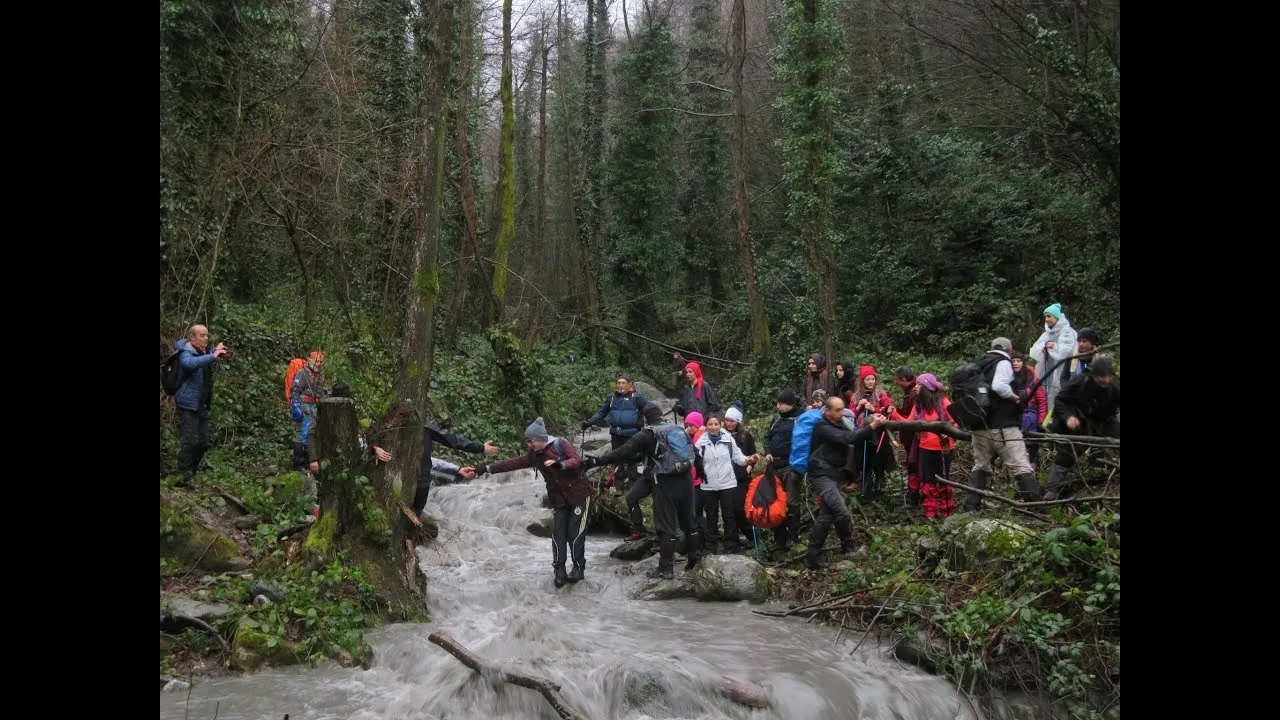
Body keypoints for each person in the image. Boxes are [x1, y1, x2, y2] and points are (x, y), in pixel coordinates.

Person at [582, 410, 705, 581]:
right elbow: (695, 453)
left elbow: (622, 451)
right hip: (685, 480)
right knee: (689, 523)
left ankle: (666, 569)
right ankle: (694, 560)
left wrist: (596, 461)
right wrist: (702, 474)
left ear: (645, 420)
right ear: (661, 417)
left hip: (664, 481)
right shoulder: (677, 430)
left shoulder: (646, 435)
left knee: (666, 527)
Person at [469, 418, 591, 587]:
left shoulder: (561, 445)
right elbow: (513, 463)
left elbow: (575, 460)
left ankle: (578, 569)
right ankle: (559, 570)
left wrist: (560, 465)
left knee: (575, 534)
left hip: (579, 495)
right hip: (559, 500)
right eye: (527, 441)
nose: (529, 444)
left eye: (530, 441)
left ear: (541, 438)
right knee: (558, 535)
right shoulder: (535, 455)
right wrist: (486, 469)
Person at [961, 338, 1042, 511]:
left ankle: (971, 507)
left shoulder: (979, 364)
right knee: (1020, 465)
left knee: (981, 465)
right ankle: (1037, 509)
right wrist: (1017, 398)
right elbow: (999, 386)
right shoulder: (1003, 362)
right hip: (1003, 426)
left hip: (979, 426)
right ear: (1009, 350)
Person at [805, 397, 886, 569]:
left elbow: (854, 432)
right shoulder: (822, 427)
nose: (842, 413)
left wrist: (873, 420)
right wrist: (871, 427)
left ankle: (818, 555)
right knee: (841, 512)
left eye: (842, 409)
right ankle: (840, 550)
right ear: (827, 411)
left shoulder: (839, 422)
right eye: (838, 410)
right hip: (821, 475)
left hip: (833, 474)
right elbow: (847, 438)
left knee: (827, 515)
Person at [1042, 357, 1120, 501]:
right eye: (1100, 377)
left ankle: (1100, 474)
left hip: (1105, 421)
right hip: (1080, 421)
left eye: (1108, 377)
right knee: (1067, 454)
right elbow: (1060, 399)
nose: (1105, 381)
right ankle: (1051, 491)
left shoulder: (1115, 386)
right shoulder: (1080, 381)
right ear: (1093, 376)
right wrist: (1068, 417)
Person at [888, 374, 956, 519]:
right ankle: (930, 512)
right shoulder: (918, 406)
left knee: (944, 481)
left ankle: (946, 512)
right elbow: (908, 423)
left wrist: (948, 434)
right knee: (927, 481)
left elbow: (955, 422)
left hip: (944, 449)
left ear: (926, 387)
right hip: (925, 448)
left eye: (919, 385)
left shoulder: (943, 402)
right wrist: (893, 414)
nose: (916, 387)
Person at [170, 324, 229, 486]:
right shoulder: (185, 351)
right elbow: (190, 364)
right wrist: (212, 356)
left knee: (203, 441)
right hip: (188, 403)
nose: (206, 338)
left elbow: (204, 358)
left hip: (200, 404)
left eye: (207, 335)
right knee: (190, 440)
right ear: (192, 338)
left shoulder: (203, 351)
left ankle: (192, 472)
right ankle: (183, 477)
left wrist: (216, 352)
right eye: (202, 335)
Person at [695, 413, 759, 554]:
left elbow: (739, 458)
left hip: (727, 484)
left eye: (716, 424)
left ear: (720, 425)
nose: (713, 427)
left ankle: (730, 546)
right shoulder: (700, 444)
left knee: (729, 516)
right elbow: (693, 462)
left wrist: (749, 459)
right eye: (710, 424)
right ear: (706, 426)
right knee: (711, 517)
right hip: (708, 485)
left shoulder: (728, 439)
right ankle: (711, 547)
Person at [582, 376, 652, 492]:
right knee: (617, 458)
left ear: (629, 384)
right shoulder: (612, 397)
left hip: (633, 434)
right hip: (616, 433)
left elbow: (650, 408)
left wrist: (655, 422)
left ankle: (632, 488)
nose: (620, 385)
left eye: (623, 383)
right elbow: (602, 413)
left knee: (632, 460)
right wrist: (589, 422)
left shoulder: (636, 397)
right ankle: (618, 487)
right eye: (618, 383)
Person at [415, 423, 498, 517]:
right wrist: (481, 448)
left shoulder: (420, 426)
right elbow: (452, 440)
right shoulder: (422, 426)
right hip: (418, 485)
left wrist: (457, 470)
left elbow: (430, 460)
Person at [763, 389, 804, 550]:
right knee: (775, 502)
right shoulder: (776, 419)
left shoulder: (799, 420)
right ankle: (778, 538)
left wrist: (798, 466)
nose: (778, 406)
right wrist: (767, 453)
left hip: (790, 467)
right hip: (774, 467)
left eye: (781, 403)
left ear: (790, 404)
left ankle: (793, 536)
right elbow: (767, 438)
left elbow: (802, 444)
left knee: (792, 502)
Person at [1028, 303, 1078, 412]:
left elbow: (1066, 351)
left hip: (1063, 371)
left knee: (1058, 393)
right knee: (1044, 395)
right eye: (1045, 317)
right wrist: (1045, 346)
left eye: (1049, 316)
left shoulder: (1067, 331)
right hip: (1047, 373)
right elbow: (1034, 350)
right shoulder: (1047, 334)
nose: (1046, 319)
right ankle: (1045, 420)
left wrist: (1052, 346)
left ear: (1057, 317)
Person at [723, 402, 758, 548]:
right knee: (727, 510)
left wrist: (749, 467)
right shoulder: (721, 435)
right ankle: (731, 540)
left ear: (737, 422)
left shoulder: (745, 436)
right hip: (725, 477)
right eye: (727, 420)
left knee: (739, 508)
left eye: (732, 421)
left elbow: (753, 454)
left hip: (741, 477)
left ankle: (750, 534)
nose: (729, 423)